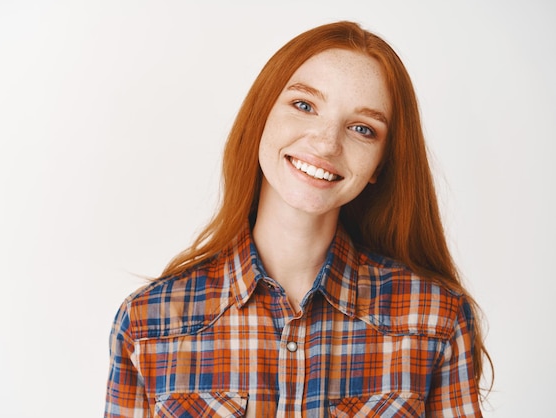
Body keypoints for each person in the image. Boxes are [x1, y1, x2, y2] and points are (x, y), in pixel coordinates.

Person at [104, 20, 491, 417]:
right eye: (304, 106)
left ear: (381, 163)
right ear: (262, 116)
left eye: (362, 128)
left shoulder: (435, 320)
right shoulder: (148, 325)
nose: (326, 142)